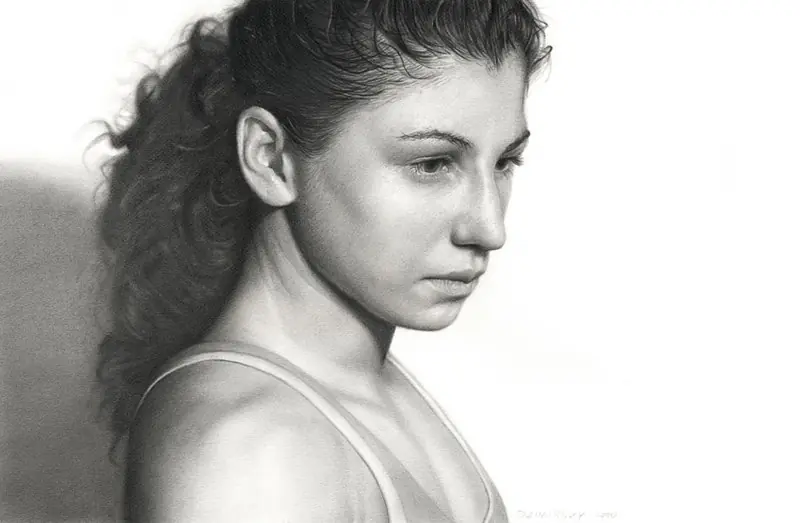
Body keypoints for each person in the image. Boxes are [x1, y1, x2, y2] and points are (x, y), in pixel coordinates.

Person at [92, 0, 550, 520]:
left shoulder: (366, 387)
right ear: (270, 158)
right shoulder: (247, 449)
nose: (489, 228)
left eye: (505, 161)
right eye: (431, 163)